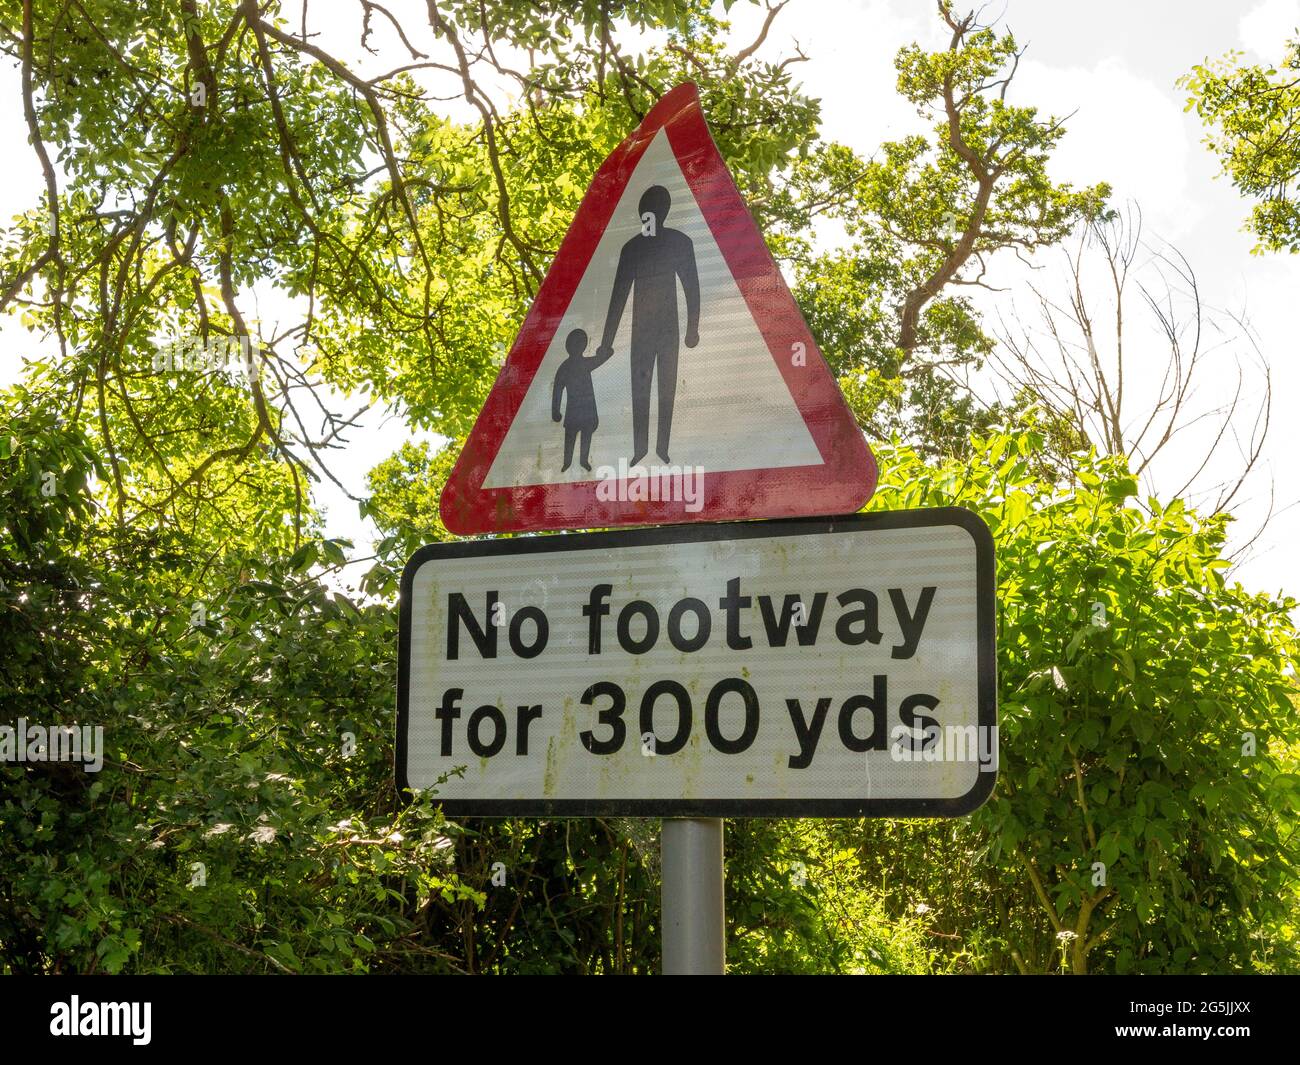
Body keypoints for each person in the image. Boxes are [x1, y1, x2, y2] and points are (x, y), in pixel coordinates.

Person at [595, 185, 700, 466]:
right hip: (640, 333)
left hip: (669, 332)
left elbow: (692, 287)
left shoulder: (679, 243)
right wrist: (607, 342)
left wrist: (693, 328)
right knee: (639, 389)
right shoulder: (632, 248)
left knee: (667, 389)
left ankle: (663, 449)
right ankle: (640, 449)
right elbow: (618, 296)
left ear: (663, 212)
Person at [551, 327, 615, 472]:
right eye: (574, 343)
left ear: (584, 345)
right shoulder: (565, 367)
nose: (577, 346)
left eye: (580, 343)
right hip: (573, 410)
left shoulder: (585, 363)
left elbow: (599, 360)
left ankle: (584, 461)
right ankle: (567, 462)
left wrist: (607, 353)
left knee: (586, 435)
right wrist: (555, 411)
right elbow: (557, 390)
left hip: (587, 409)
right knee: (570, 436)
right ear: (568, 346)